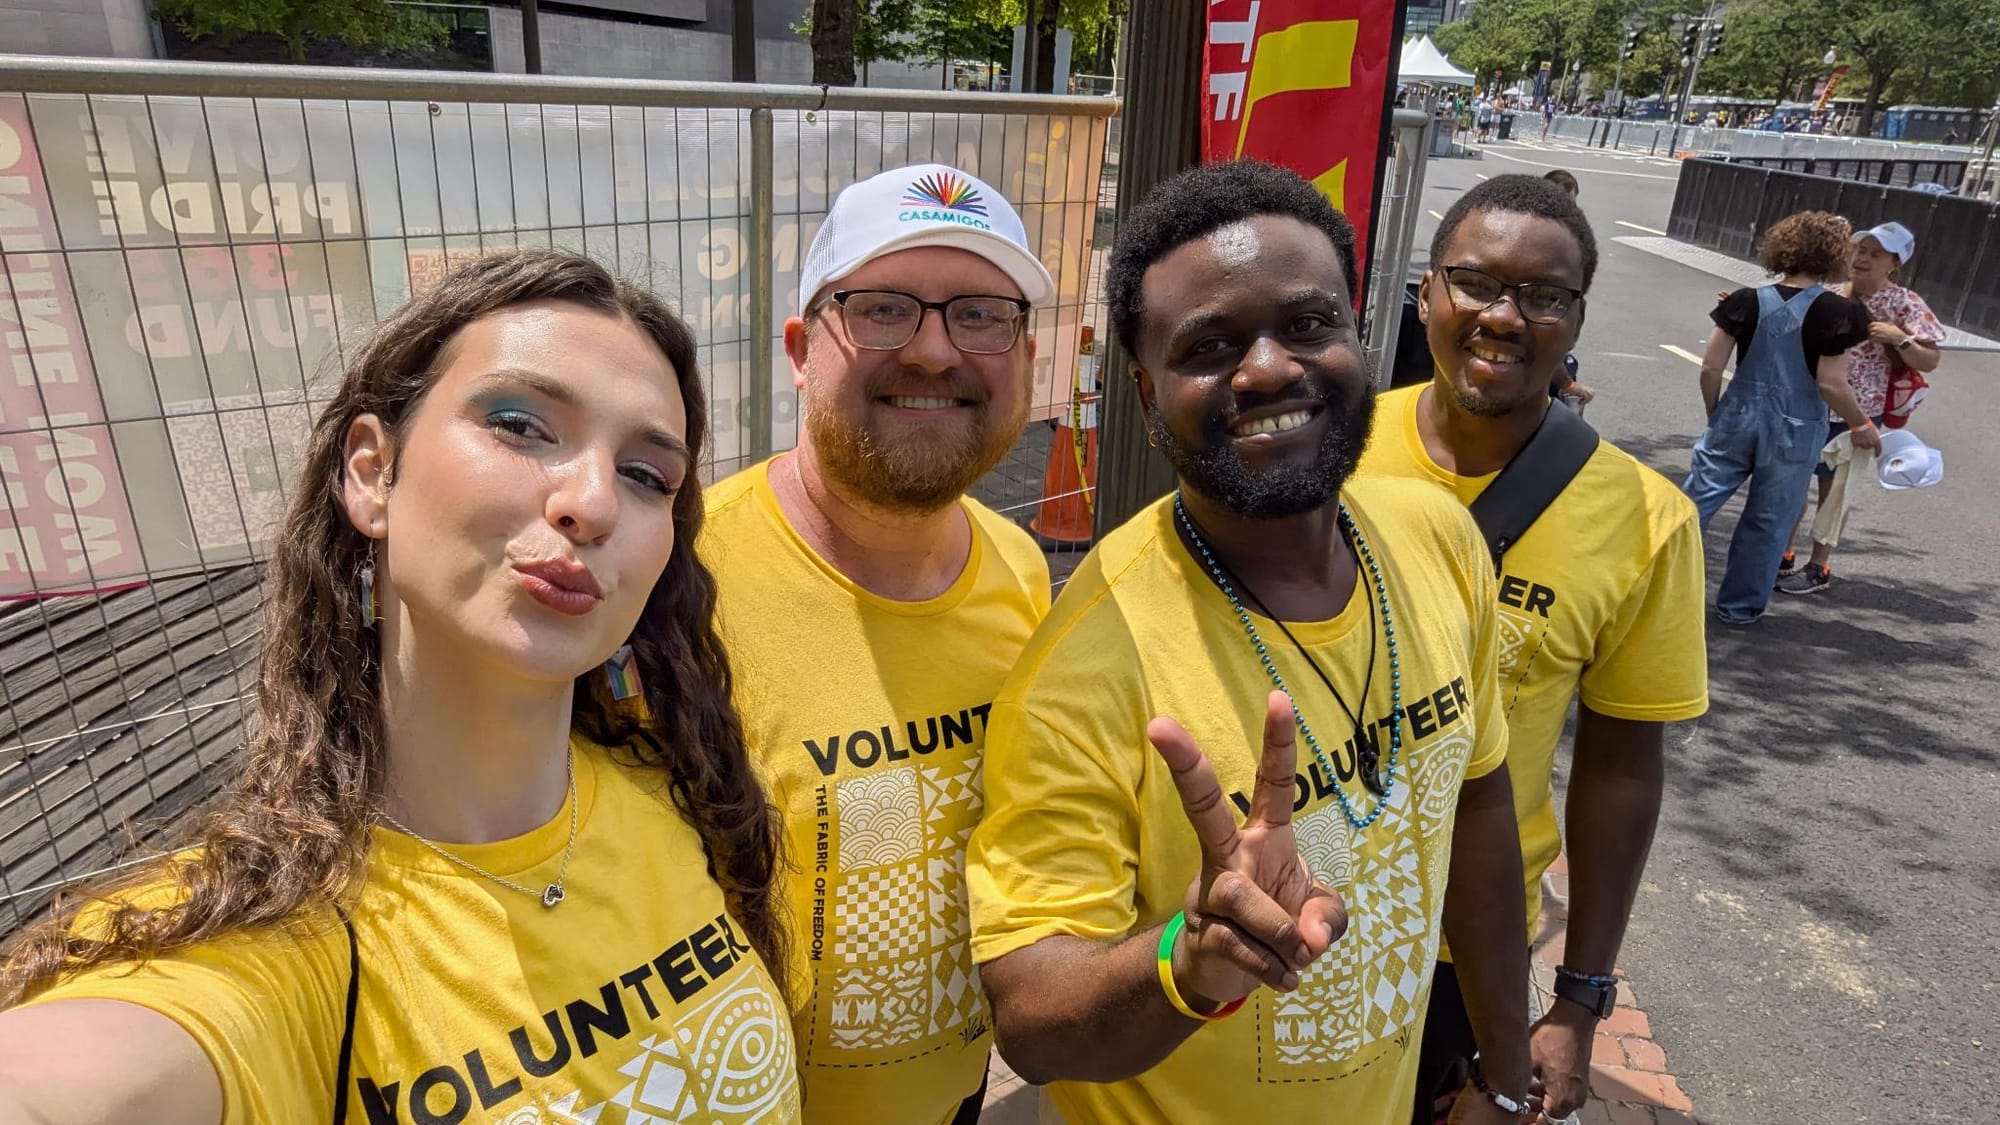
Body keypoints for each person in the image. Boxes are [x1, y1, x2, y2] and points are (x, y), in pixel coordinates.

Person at [0, 250, 802, 1122]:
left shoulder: (686, 794)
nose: (594, 501)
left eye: (649, 475)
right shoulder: (266, 946)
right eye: (521, 424)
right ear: (373, 471)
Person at [968, 160, 1536, 1125]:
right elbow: (1028, 1016)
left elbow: (1478, 809)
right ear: (1147, 398)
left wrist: (1506, 1075)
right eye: (1211, 344)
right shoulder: (1091, 665)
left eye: (1310, 324)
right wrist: (1187, 960)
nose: (1271, 366)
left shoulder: (1440, 541)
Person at [701, 163, 1053, 1125]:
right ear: (799, 349)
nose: (936, 351)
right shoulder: (675, 584)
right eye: (885, 307)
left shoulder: (1022, 570)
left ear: (1026, 357)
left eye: (983, 314)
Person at [1360, 174, 1710, 1124]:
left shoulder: (1646, 519)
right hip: (1297, 910)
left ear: (1576, 316)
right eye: (1473, 283)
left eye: (1544, 296)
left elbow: (1621, 768)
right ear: (1425, 294)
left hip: (1466, 945)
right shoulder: (1331, 446)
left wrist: (1579, 999)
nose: (1504, 317)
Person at [1684, 211, 1879, 626]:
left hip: (1736, 416)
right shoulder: (1839, 313)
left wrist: (1715, 412)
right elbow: (1831, 382)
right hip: (1797, 425)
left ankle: (1645, 584)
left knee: (1692, 503)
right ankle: (1738, 607)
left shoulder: (1743, 301)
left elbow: (1710, 368)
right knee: (1769, 520)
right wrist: (1861, 425)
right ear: (1833, 256)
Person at [1775, 220, 1945, 595]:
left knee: (1834, 490)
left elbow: (1929, 359)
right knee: (1789, 482)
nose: (1863, 258)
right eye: (1860, 250)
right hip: (1809, 402)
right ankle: (1781, 553)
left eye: (1875, 253)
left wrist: (1899, 339)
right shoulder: (1832, 292)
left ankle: (1818, 565)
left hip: (1857, 410)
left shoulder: (1904, 303)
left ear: (1894, 263)